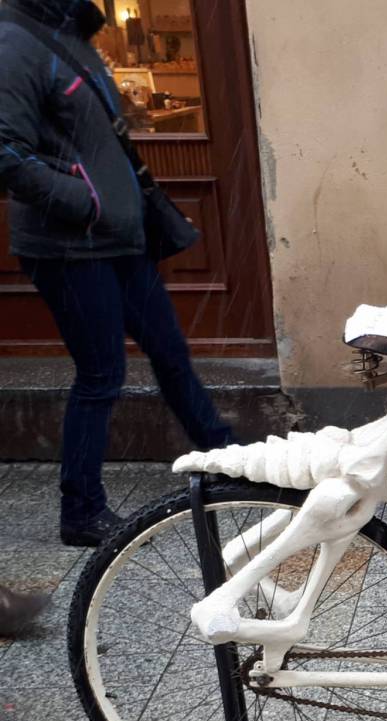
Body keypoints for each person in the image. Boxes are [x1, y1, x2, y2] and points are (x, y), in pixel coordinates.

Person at [0, 0, 234, 548]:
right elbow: (5, 151)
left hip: (119, 240)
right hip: (69, 247)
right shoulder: (15, 40)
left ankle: (227, 458)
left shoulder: (70, 34)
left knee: (171, 354)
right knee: (101, 374)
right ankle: (81, 510)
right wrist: (87, 202)